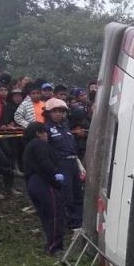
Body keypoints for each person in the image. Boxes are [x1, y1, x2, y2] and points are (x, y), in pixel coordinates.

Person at [22, 122, 65, 254]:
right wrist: (55, 174)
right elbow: (44, 162)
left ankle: (50, 244)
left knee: (46, 215)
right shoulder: (38, 144)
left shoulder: (28, 147)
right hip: (43, 183)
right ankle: (55, 247)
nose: (46, 135)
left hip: (32, 183)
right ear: (38, 133)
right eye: (44, 132)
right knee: (54, 214)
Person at [43, 98, 83, 229]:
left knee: (77, 193)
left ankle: (78, 221)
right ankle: (68, 222)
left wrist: (79, 165)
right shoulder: (46, 129)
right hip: (61, 164)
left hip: (72, 163)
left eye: (61, 111)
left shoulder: (65, 128)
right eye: (55, 111)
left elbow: (72, 147)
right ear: (48, 113)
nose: (58, 114)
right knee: (67, 195)